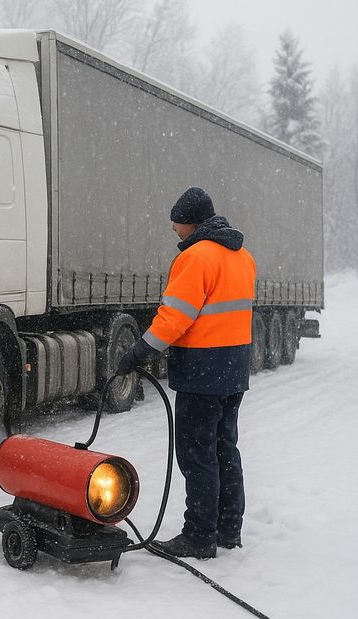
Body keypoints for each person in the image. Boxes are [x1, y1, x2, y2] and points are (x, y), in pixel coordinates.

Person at [117, 186, 256, 560]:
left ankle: (198, 536)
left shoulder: (195, 258)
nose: (173, 229)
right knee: (225, 450)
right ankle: (228, 529)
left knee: (197, 456)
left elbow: (175, 317)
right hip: (233, 368)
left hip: (202, 371)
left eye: (176, 222)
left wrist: (139, 351)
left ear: (190, 222)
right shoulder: (242, 256)